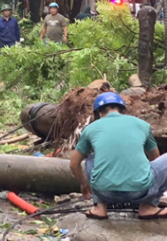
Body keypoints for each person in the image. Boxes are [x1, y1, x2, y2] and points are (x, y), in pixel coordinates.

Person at [70, 92, 167, 220]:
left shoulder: (90, 129)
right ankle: (148, 206)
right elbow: (155, 159)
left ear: (99, 113)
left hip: (104, 193)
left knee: (92, 158)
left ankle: (99, 207)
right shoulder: (143, 125)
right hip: (140, 192)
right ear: (122, 110)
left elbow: (73, 164)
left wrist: (84, 184)